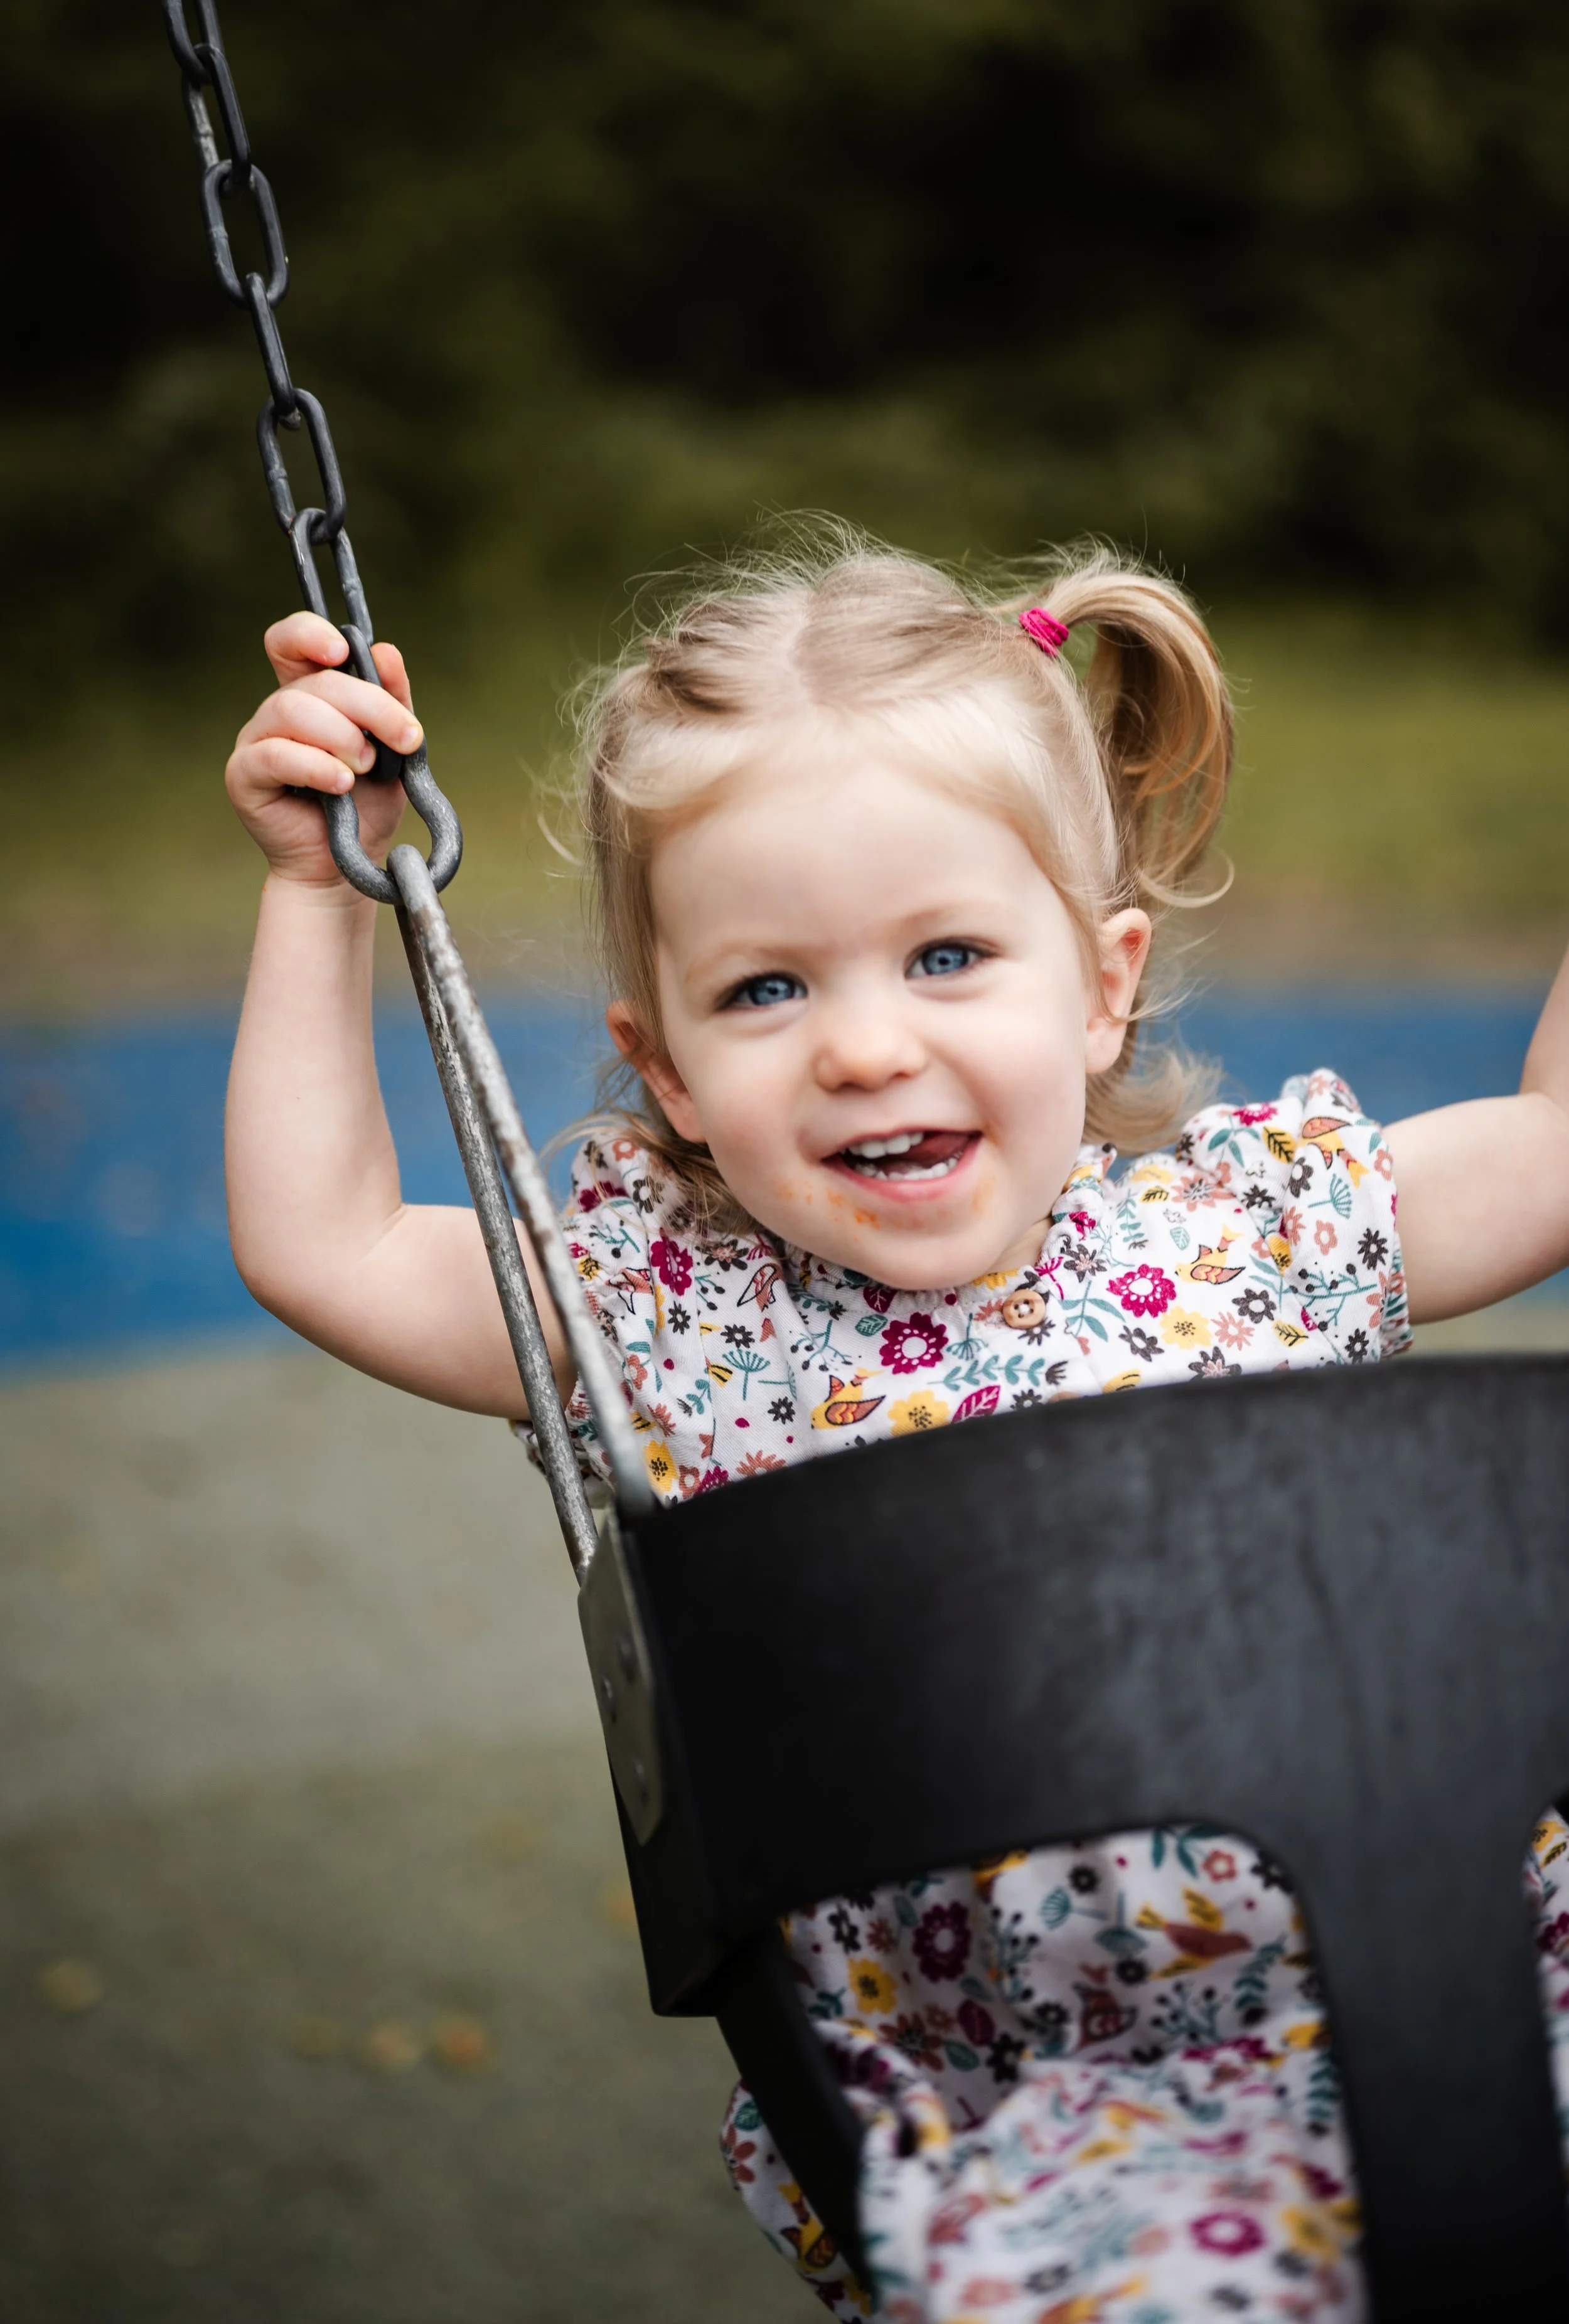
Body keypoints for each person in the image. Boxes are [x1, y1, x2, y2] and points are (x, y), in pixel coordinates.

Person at [225, 533, 1569, 2321]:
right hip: (1032, 2131)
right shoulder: (657, 1314)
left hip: (1475, 1984)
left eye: (945, 956)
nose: (863, 1047)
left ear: (1098, 986)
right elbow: (323, 1244)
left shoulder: (1258, 1227)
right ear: (670, 1068)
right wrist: (318, 889)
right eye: (766, 989)